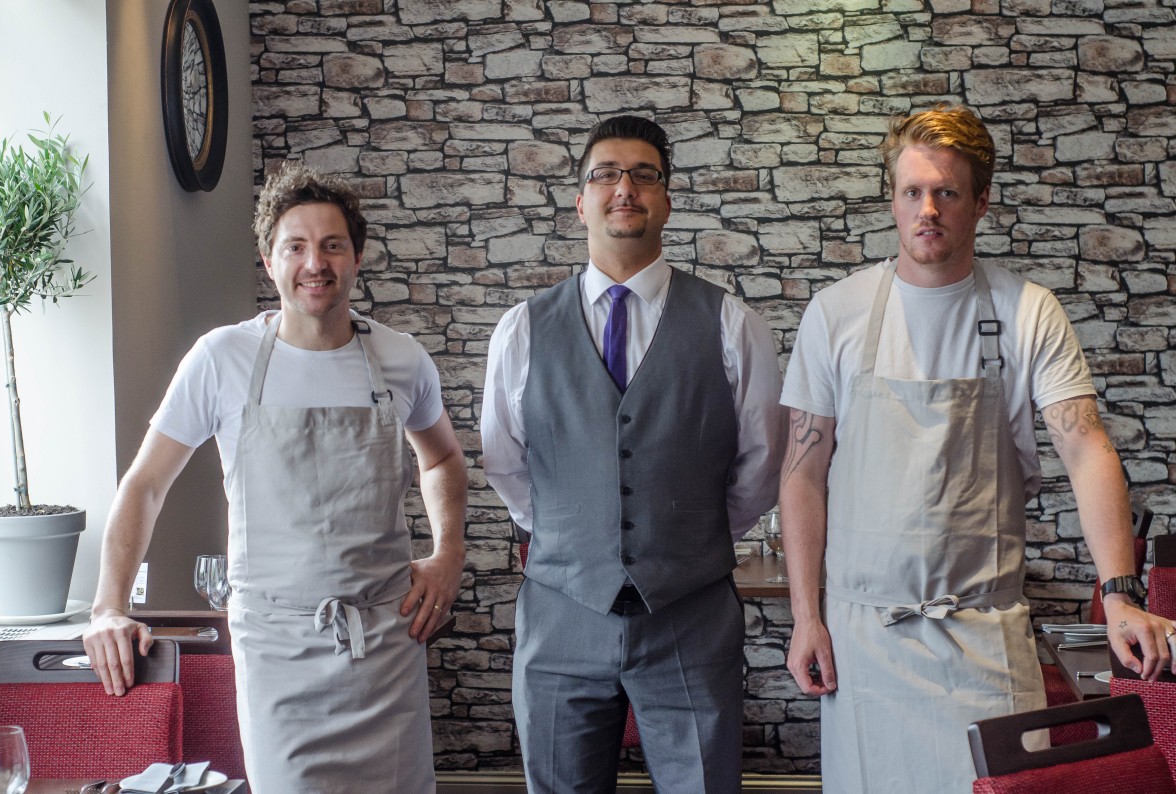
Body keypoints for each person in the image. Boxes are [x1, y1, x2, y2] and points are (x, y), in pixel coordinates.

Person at [778, 104, 1176, 793]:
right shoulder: (836, 314)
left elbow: (1086, 446)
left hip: (984, 637)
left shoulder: (1028, 311)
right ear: (893, 200)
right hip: (864, 640)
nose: (927, 209)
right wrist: (805, 618)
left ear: (982, 201)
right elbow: (802, 474)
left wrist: (1119, 593)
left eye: (947, 192)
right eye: (912, 191)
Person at [83, 163, 467, 793]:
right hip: (276, 650)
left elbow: (443, 459)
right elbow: (145, 485)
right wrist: (107, 607)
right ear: (269, 261)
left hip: (383, 645)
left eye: (332, 245)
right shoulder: (221, 359)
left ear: (357, 258)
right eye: (296, 247)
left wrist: (448, 553)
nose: (315, 263)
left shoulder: (401, 359)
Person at [481, 115, 786, 793]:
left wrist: (688, 538)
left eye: (644, 175)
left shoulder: (734, 324)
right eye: (606, 175)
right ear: (580, 201)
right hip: (560, 618)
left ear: (667, 199)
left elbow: (762, 464)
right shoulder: (522, 329)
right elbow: (504, 460)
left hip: (692, 618)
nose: (625, 188)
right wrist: (572, 532)